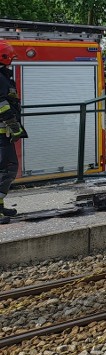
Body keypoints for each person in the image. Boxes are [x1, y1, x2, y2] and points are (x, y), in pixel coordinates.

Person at [0, 41, 24, 224]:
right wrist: (13, 125)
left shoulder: (3, 75)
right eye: (10, 55)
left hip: (4, 133)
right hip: (2, 133)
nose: (12, 58)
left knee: (4, 169)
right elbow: (2, 105)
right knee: (7, 168)